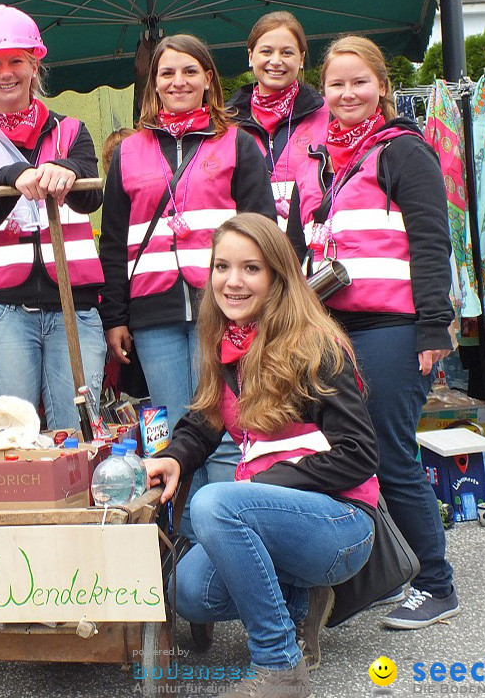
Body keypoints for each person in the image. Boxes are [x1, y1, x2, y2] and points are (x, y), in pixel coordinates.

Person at [144, 213, 379, 697]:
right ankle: (297, 601)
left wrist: (263, 487)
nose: (232, 281)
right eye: (222, 267)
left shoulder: (317, 345)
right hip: (271, 515)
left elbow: (359, 455)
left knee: (214, 503)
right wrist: (175, 457)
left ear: (277, 276)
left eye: (251, 268)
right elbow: (206, 419)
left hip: (342, 523)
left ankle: (278, 665)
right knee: (189, 590)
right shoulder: (226, 341)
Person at [288, 35, 457, 629]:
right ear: (322, 91)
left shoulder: (404, 151)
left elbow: (433, 242)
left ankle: (436, 584)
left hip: (393, 325)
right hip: (332, 327)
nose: (348, 93)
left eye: (360, 81)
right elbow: (296, 249)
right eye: (336, 83)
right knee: (345, 453)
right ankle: (394, 570)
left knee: (389, 454)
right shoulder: (318, 158)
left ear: (382, 86)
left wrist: (434, 327)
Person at [99, 34, 275, 501]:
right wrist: (114, 317)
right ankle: (184, 547)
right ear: (153, 85)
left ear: (208, 79)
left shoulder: (239, 143)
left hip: (223, 308)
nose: (178, 82)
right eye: (167, 73)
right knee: (171, 438)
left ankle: (222, 536)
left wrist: (261, 307)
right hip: (152, 312)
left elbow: (263, 232)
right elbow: (114, 241)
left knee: (220, 432)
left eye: (189, 71)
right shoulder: (129, 152)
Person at [0, 4, 105, 430]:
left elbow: (92, 194)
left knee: (79, 430)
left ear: (35, 64)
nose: (5, 72)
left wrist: (67, 171)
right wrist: (11, 176)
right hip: (2, 312)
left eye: (16, 60)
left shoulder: (70, 130)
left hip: (75, 306)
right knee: (12, 437)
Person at [226, 11, 329, 230]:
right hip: (248, 245)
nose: (276, 61)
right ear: (250, 56)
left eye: (286, 52)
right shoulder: (225, 123)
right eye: (266, 51)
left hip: (310, 247)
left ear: (301, 59)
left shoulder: (329, 115)